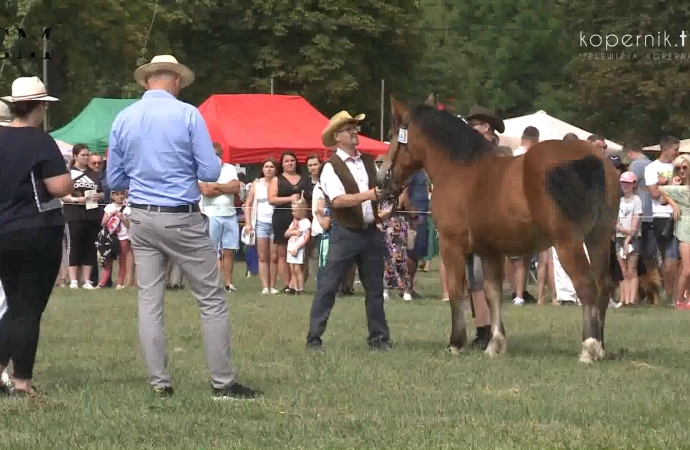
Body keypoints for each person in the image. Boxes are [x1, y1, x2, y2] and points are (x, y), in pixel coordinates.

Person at [107, 54, 260, 399]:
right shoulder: (188, 114)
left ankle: (160, 383)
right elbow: (208, 171)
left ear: (147, 81)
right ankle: (222, 383)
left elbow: (115, 178)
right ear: (175, 81)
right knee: (210, 298)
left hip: (142, 216)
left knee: (150, 301)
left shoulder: (123, 118)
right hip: (181, 216)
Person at [0, 76, 71, 397]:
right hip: (36, 230)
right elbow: (59, 187)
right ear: (40, 106)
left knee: (14, 306)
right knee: (28, 308)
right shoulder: (40, 141)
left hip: (2, 231)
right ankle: (22, 383)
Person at [306, 110, 391, 351]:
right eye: (349, 128)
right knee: (328, 286)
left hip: (369, 231)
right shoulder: (330, 167)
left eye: (355, 127)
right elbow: (338, 201)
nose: (355, 132)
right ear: (337, 137)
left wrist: (380, 208)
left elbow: (376, 192)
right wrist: (371, 195)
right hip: (345, 233)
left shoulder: (367, 161)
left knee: (375, 289)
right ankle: (314, 338)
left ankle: (379, 338)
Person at [199, 142, 242, 293]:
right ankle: (212, 283)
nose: (217, 158)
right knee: (212, 251)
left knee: (229, 250)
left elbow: (236, 188)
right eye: (214, 155)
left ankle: (228, 283)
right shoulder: (202, 169)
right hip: (211, 215)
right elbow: (206, 191)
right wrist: (225, 187)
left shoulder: (230, 168)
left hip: (230, 215)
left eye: (219, 154)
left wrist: (216, 186)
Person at [62, 144, 105, 289]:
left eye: (87, 155)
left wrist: (99, 196)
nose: (86, 158)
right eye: (83, 155)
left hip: (91, 213)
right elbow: (62, 195)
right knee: (74, 245)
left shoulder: (93, 173)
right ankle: (74, 280)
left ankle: (87, 280)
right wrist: (76, 200)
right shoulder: (68, 173)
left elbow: (101, 191)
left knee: (89, 246)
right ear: (75, 156)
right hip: (74, 213)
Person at [615, 172, 643, 307]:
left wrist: (628, 238)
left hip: (632, 239)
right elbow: (614, 221)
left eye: (628, 183)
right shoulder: (619, 201)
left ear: (634, 184)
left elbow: (635, 222)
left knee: (632, 269)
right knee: (623, 270)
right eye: (623, 183)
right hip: (619, 237)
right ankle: (623, 299)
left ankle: (631, 300)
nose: (625, 186)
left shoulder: (637, 200)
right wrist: (622, 231)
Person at [97, 190, 132, 289]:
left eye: (122, 194)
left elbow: (129, 225)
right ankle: (102, 283)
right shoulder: (109, 207)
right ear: (113, 196)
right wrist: (109, 215)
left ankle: (119, 284)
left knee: (122, 260)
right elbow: (103, 223)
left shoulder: (127, 209)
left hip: (123, 237)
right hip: (110, 238)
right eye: (117, 194)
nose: (120, 197)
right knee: (108, 260)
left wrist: (122, 218)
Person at [285, 198, 311, 294]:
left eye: (295, 211)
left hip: (298, 249)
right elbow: (286, 234)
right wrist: (294, 231)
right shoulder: (294, 223)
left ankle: (301, 288)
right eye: (292, 210)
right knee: (292, 269)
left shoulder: (306, 223)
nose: (292, 213)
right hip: (291, 248)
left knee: (298, 269)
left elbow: (306, 237)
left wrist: (297, 247)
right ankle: (294, 288)